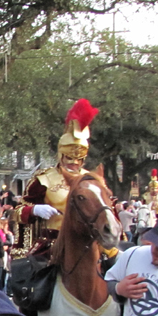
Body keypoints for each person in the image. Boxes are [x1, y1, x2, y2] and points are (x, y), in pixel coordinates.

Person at [13, 99, 99, 258]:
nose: (74, 163)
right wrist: (34, 210)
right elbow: (17, 211)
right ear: (61, 155)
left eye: (79, 160)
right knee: (31, 277)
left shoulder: (92, 180)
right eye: (69, 158)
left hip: (87, 242)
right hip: (52, 244)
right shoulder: (44, 179)